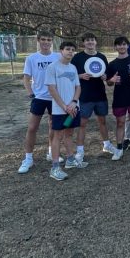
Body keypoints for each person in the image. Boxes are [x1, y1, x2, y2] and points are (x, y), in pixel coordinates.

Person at [18, 30, 62, 173]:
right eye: (43, 39)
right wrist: (31, 94)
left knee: (53, 127)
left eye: (49, 40)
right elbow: (26, 78)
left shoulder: (58, 56)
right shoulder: (32, 58)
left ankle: (51, 152)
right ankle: (28, 159)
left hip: (54, 98)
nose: (46, 42)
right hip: (39, 98)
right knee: (32, 128)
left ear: (52, 41)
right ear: (38, 40)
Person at [44, 41, 86, 181]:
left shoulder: (73, 67)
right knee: (58, 136)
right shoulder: (52, 67)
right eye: (68, 49)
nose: (70, 52)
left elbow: (78, 87)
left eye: (73, 50)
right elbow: (52, 89)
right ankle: (55, 168)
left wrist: (73, 103)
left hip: (73, 109)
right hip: (59, 110)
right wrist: (64, 106)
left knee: (69, 134)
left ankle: (70, 160)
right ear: (61, 50)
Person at [71, 32, 115, 162]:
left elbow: (106, 74)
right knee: (82, 123)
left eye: (92, 40)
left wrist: (105, 77)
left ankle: (106, 145)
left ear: (96, 42)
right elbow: (70, 74)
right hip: (84, 95)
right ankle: (80, 151)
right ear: (83, 43)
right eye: (87, 40)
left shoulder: (101, 56)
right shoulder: (77, 57)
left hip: (100, 94)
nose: (90, 42)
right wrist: (80, 76)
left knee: (102, 121)